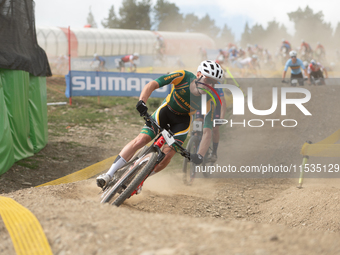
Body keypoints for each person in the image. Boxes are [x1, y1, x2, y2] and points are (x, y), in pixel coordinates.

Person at [96, 60, 224, 191]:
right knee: (141, 140)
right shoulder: (183, 76)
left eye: (214, 83)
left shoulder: (209, 100)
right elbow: (152, 84)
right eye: (208, 80)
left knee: (167, 156)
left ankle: (140, 180)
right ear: (198, 75)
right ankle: (108, 174)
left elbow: (208, 132)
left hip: (182, 123)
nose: (210, 85)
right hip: (166, 112)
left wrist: (200, 155)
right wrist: (142, 102)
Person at [195, 88, 226, 161]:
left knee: (215, 128)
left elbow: (223, 102)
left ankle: (214, 152)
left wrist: (221, 117)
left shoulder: (217, 85)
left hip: (215, 103)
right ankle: (194, 144)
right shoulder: (200, 81)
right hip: (202, 101)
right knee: (198, 122)